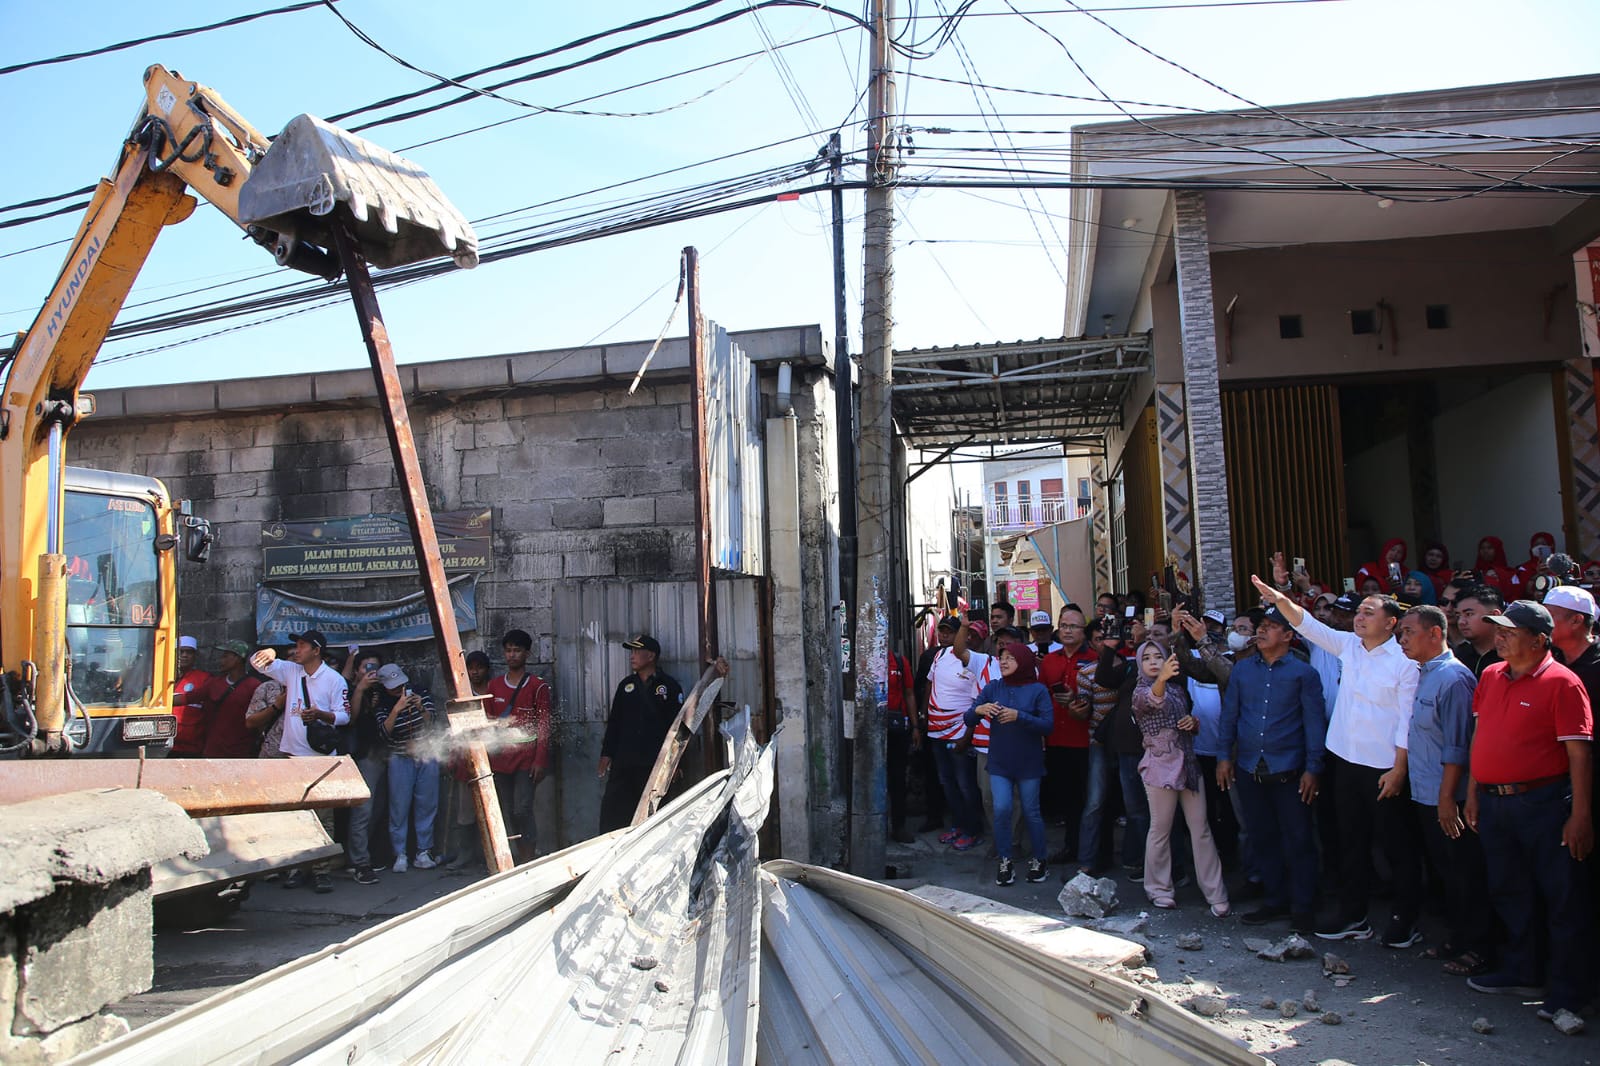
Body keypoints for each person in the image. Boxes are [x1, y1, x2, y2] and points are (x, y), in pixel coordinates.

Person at [1250, 575, 1418, 943]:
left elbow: (1407, 721)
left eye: (1369, 612)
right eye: (1359, 611)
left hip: (1384, 769)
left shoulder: (1405, 662)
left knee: (1396, 848)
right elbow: (1307, 625)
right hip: (1344, 762)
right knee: (1349, 843)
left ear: (1390, 622)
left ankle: (1406, 920)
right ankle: (1354, 916)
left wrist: (1399, 768)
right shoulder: (1350, 647)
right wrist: (1281, 600)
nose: (1360, 617)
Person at [1465, 600, 1594, 1028]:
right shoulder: (1490, 674)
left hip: (1542, 803)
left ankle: (1568, 992)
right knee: (1509, 889)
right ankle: (1523, 972)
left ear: (1539, 640)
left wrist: (1581, 815)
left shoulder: (1563, 683)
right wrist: (1473, 792)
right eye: (1498, 629)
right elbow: (1480, 736)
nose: (1499, 637)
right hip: (1495, 801)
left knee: (1561, 899)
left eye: (1509, 631)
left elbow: (1579, 755)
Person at [1395, 604, 1492, 974]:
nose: (1402, 639)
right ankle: (1458, 938)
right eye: (1401, 633)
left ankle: (1479, 947)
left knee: (1465, 874)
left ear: (1435, 634)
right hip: (1426, 794)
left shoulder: (1453, 679)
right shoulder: (1424, 673)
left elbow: (1458, 747)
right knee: (1445, 874)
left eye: (1408, 632)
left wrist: (1447, 799)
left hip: (1449, 798)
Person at [1216, 608, 1325, 932]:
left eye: (1271, 627)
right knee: (1263, 838)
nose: (1261, 631)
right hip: (1250, 767)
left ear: (1289, 636)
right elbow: (1230, 716)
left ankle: (1303, 906)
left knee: (1299, 839)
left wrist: (1313, 768)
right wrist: (1224, 757)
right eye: (1260, 626)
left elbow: (1314, 723)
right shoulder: (1242, 670)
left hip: (1290, 770)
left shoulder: (1303, 674)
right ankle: (1275, 899)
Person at [1133, 641, 1230, 917]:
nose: (1153, 661)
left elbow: (1186, 718)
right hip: (1159, 767)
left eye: (1158, 656)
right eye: (1147, 657)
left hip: (1188, 764)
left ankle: (1215, 891)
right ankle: (1158, 889)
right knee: (1160, 829)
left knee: (1201, 828)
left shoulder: (1178, 689)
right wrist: (1162, 677)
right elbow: (1151, 701)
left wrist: (1193, 723)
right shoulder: (1139, 691)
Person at [250, 631, 351, 893]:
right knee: (295, 815)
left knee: (323, 817)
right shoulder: (293, 672)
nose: (297, 650)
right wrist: (270, 654)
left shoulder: (334, 680)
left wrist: (321, 715)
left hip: (318, 758)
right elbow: (257, 663)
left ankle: (321, 871)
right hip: (292, 755)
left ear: (316, 650)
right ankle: (296, 867)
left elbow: (344, 717)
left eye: (302, 645)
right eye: (296, 645)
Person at [966, 643, 1054, 886]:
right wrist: (979, 709)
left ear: (1024, 662)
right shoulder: (994, 687)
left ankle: (1040, 859)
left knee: (1031, 811)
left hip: (1029, 762)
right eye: (1002, 658)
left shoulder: (1038, 690)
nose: (1003, 662)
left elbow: (1048, 725)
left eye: (1011, 658)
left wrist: (1020, 716)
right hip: (1000, 762)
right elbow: (968, 718)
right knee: (1002, 809)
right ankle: (1005, 860)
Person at [598, 635, 685, 833]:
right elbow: (615, 723)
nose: (632, 656)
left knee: (654, 815)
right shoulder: (626, 686)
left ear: (651, 655)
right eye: (632, 651)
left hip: (654, 763)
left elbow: (679, 727)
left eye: (637, 651)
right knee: (614, 812)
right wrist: (606, 754)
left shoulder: (669, 687)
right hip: (625, 762)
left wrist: (677, 761)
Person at [926, 616, 993, 851]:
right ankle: (958, 825)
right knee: (948, 783)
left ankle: (973, 830)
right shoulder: (939, 655)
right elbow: (929, 684)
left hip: (961, 732)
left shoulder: (978, 662)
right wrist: (927, 718)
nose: (945, 636)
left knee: (966, 784)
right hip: (936, 732)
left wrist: (967, 736)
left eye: (951, 632)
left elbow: (979, 703)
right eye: (941, 631)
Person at [1037, 605, 1097, 864]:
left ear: (1084, 631)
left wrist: (1079, 700)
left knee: (1088, 801)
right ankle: (1071, 848)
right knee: (1065, 800)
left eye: (1073, 626)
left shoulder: (1096, 658)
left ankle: (1089, 853)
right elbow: (1040, 697)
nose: (1068, 631)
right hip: (1055, 739)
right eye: (1063, 626)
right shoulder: (1050, 660)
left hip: (1085, 740)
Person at [488, 629, 552, 863]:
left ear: (527, 653)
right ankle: (515, 858)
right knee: (507, 810)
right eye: (508, 650)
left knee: (521, 809)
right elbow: (487, 721)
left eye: (517, 650)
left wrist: (540, 760)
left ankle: (528, 857)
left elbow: (544, 724)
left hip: (527, 761)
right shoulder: (494, 686)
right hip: (500, 760)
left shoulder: (538, 686)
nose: (512, 655)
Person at [373, 663, 439, 872]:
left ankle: (423, 851)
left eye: (400, 685)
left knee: (427, 804)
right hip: (400, 758)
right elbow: (384, 734)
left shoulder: (421, 693)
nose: (398, 690)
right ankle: (399, 853)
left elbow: (433, 723)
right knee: (399, 807)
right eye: (393, 687)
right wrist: (396, 709)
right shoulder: (382, 705)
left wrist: (420, 707)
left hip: (426, 755)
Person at [343, 649, 388, 884]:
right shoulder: (350, 691)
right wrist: (360, 689)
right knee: (363, 812)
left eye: (375, 668)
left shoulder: (382, 690)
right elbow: (350, 718)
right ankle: (359, 862)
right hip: (362, 757)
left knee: (376, 811)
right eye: (366, 668)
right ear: (357, 671)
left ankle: (363, 856)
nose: (371, 673)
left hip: (380, 756)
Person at [199, 641, 262, 759]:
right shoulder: (214, 683)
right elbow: (187, 697)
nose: (221, 661)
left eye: (225, 656)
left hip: (240, 754)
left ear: (238, 658)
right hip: (213, 752)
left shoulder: (254, 686)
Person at [885, 642, 919, 844]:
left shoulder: (899, 661)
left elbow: (909, 693)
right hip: (868, 730)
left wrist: (915, 727)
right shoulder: (861, 660)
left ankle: (899, 826)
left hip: (897, 729)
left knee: (898, 779)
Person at [171, 635, 214, 757]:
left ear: (195, 656)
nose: (184, 655)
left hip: (191, 748)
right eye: (181, 651)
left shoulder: (204, 679)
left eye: (189, 652)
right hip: (162, 744)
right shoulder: (160, 678)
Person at [1454, 586, 1504, 679]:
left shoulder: (1513, 657)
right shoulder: (1457, 657)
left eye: (1469, 614)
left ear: (1494, 615)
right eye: (1458, 615)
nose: (1461, 621)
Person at [1510, 531, 1558, 597]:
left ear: (1551, 545)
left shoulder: (1559, 564)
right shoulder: (1524, 568)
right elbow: (1523, 591)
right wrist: (1538, 574)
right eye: (1536, 545)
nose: (1539, 547)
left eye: (1543, 544)